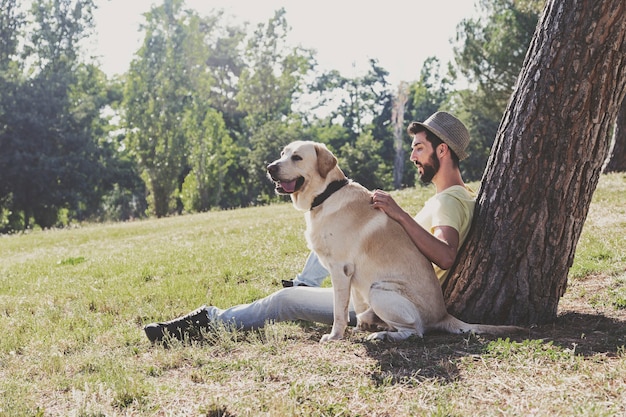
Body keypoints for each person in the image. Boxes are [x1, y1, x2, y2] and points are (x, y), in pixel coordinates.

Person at [144, 111, 476, 343]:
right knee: (329, 239)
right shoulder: (449, 198)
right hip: (377, 288)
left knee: (283, 302)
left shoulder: (449, 201)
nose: (415, 155)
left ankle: (209, 321)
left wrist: (400, 215)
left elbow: (445, 256)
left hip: (394, 299)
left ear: (442, 150)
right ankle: (302, 282)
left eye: (419, 148)